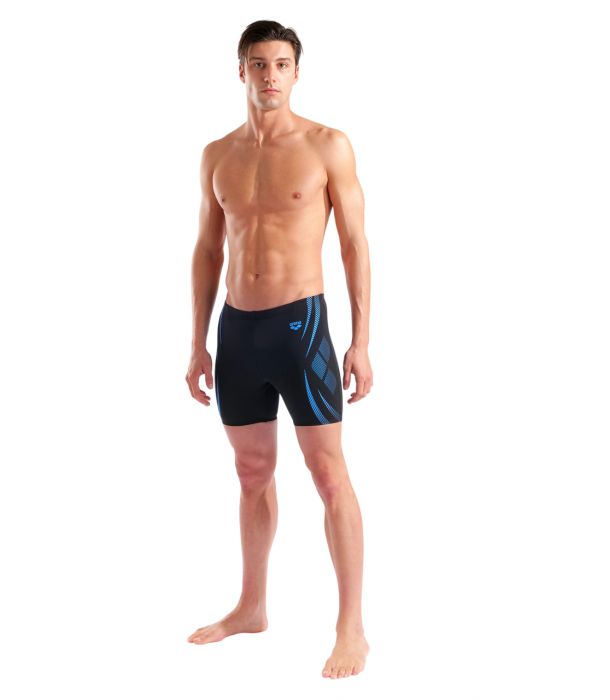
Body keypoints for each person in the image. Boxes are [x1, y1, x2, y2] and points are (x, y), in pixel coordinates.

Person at [184, 20, 373, 680]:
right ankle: (251, 606)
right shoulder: (217, 155)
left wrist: (362, 341)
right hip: (237, 333)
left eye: (282, 64)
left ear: (296, 72)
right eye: (259, 64)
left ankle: (351, 627)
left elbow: (354, 245)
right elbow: (208, 250)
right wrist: (197, 343)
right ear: (242, 71)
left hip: (302, 329)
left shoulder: (327, 146)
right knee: (251, 473)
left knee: (328, 474)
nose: (270, 75)